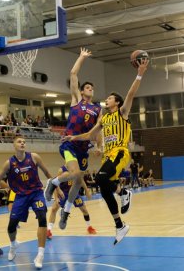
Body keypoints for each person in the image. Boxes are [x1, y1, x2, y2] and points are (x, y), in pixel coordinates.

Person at [61, 58, 149, 245]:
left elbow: (131, 93)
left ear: (116, 103)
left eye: (109, 98)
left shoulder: (122, 112)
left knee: (100, 179)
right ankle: (119, 225)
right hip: (108, 157)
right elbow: (89, 135)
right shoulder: (104, 120)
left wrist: (139, 73)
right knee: (104, 188)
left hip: (119, 153)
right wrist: (73, 138)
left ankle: (124, 192)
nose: (106, 100)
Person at [0, 137, 53, 269]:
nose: (22, 143)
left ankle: (40, 255)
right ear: (14, 145)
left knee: (42, 218)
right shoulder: (9, 163)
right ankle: (13, 244)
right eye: (19, 142)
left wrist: (57, 188)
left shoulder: (34, 157)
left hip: (36, 193)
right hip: (20, 196)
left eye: (24, 142)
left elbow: (48, 174)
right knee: (11, 226)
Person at [44, 48, 102, 231]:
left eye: (92, 88)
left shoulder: (98, 109)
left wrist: (100, 146)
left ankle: (66, 212)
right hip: (69, 143)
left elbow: (98, 130)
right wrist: (82, 57)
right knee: (76, 174)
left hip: (83, 148)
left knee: (77, 181)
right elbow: (73, 73)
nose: (90, 89)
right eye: (87, 87)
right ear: (82, 91)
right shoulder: (77, 100)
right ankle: (53, 182)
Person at [47, 166, 96, 240]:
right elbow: (55, 183)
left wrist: (86, 190)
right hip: (64, 193)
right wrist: (56, 197)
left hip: (74, 192)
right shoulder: (61, 170)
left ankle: (89, 227)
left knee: (84, 210)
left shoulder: (76, 168)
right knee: (53, 209)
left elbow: (81, 180)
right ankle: (49, 230)